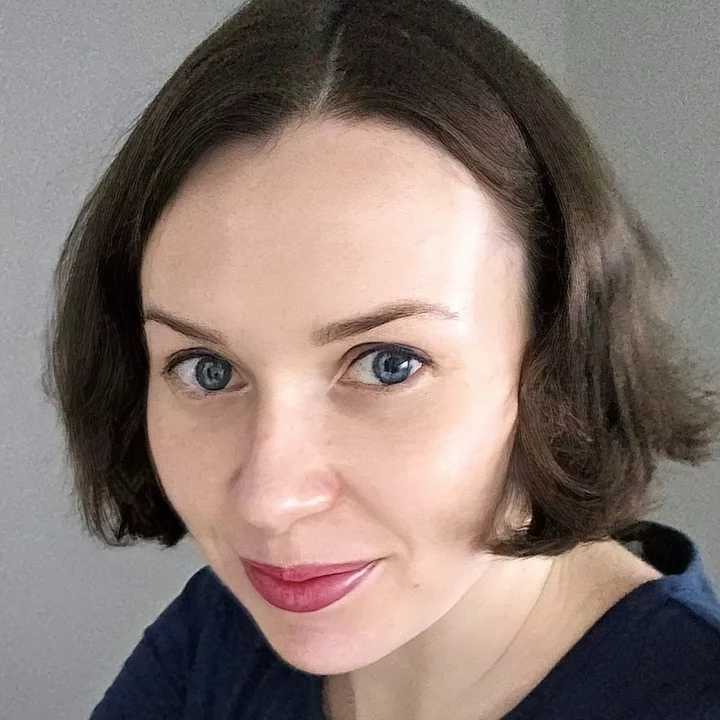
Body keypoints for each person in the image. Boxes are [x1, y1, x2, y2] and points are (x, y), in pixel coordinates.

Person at [42, 0, 720, 718]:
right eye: (208, 370)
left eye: (388, 364)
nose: (269, 502)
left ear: (560, 358)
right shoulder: (216, 639)